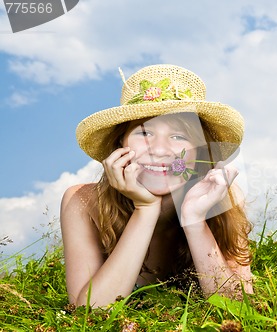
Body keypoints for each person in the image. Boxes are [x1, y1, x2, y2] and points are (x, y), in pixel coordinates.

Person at [60, 64, 253, 307]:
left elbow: (238, 309)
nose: (160, 151)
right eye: (144, 133)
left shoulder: (223, 197)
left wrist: (195, 221)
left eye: (178, 137)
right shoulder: (83, 202)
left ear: (200, 151)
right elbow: (89, 313)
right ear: (121, 141)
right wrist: (145, 208)